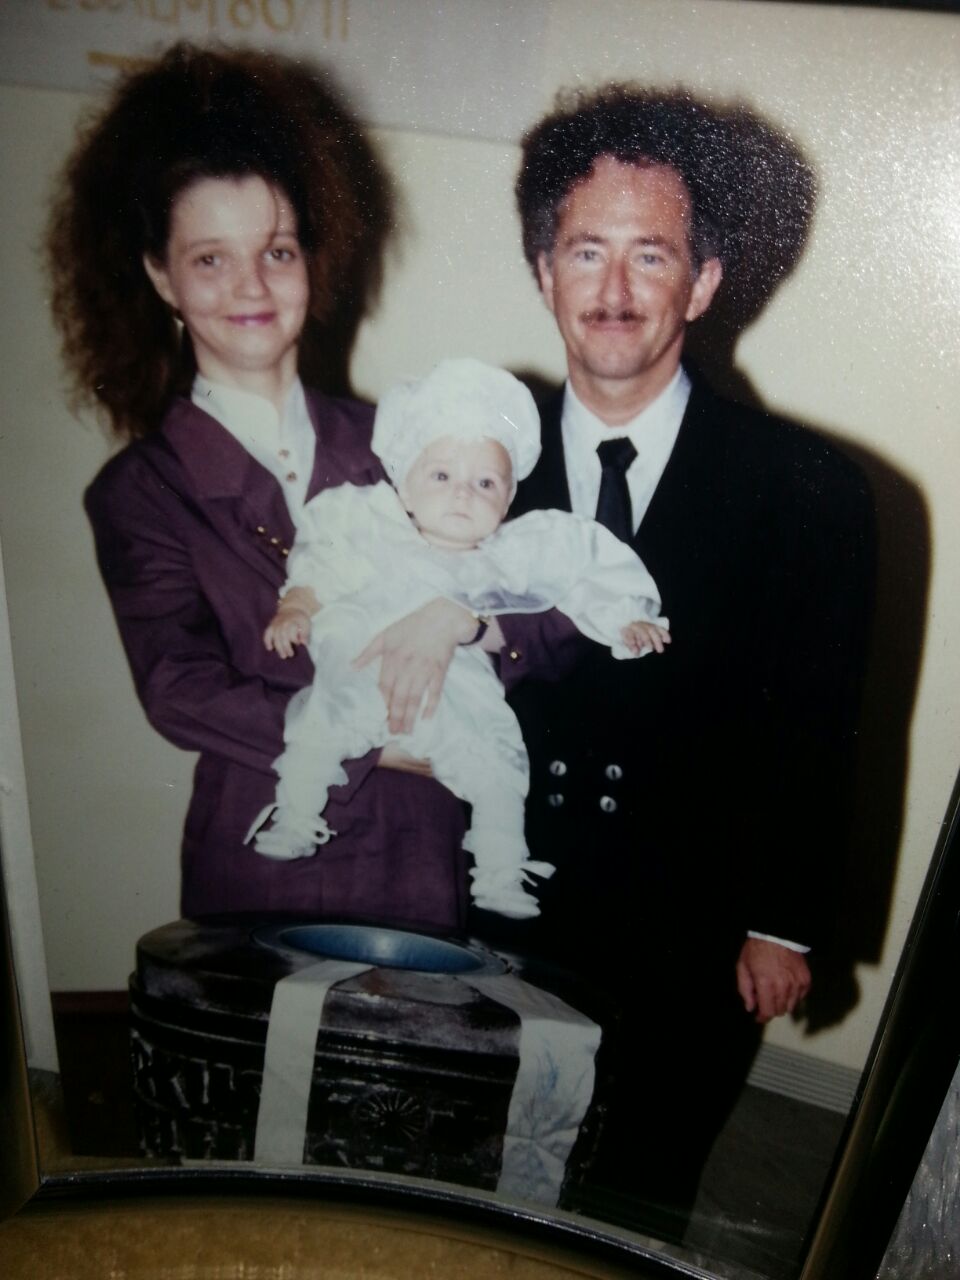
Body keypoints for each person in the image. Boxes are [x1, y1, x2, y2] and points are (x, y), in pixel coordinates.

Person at [470, 86, 876, 1238]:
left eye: (651, 254)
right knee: (467, 1181)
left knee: (630, 1200)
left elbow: (821, 725)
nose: (614, 289)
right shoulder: (471, 458)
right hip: (491, 894)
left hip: (684, 927)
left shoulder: (810, 491)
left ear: (702, 282)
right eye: (585, 250)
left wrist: (784, 922)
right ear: (543, 270)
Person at [46, 43, 560, 935]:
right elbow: (178, 688)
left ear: (310, 260)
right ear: (161, 275)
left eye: (276, 251)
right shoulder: (142, 491)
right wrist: (381, 743)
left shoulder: (410, 447)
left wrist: (468, 623)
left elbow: (543, 612)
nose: (251, 286)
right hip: (265, 861)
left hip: (421, 856)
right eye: (211, 259)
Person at [251, 357, 670, 919]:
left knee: (498, 766)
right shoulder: (374, 525)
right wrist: (296, 608)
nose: (463, 495)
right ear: (404, 483)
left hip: (460, 696)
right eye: (441, 476)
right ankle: (297, 815)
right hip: (363, 671)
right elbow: (319, 564)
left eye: (485, 482)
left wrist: (628, 617)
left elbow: (582, 567)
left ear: (508, 497)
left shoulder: (510, 553)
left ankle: (499, 871)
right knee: (321, 723)